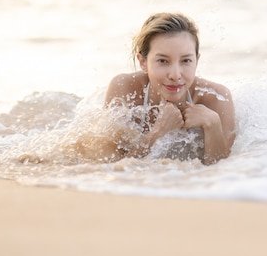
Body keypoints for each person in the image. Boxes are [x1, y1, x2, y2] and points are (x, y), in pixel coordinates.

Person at [98, 12, 236, 165]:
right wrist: (158, 131)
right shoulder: (124, 89)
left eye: (186, 60)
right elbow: (110, 166)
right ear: (143, 62)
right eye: (163, 61)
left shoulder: (217, 98)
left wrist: (212, 124)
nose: (175, 75)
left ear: (197, 61)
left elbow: (222, 175)